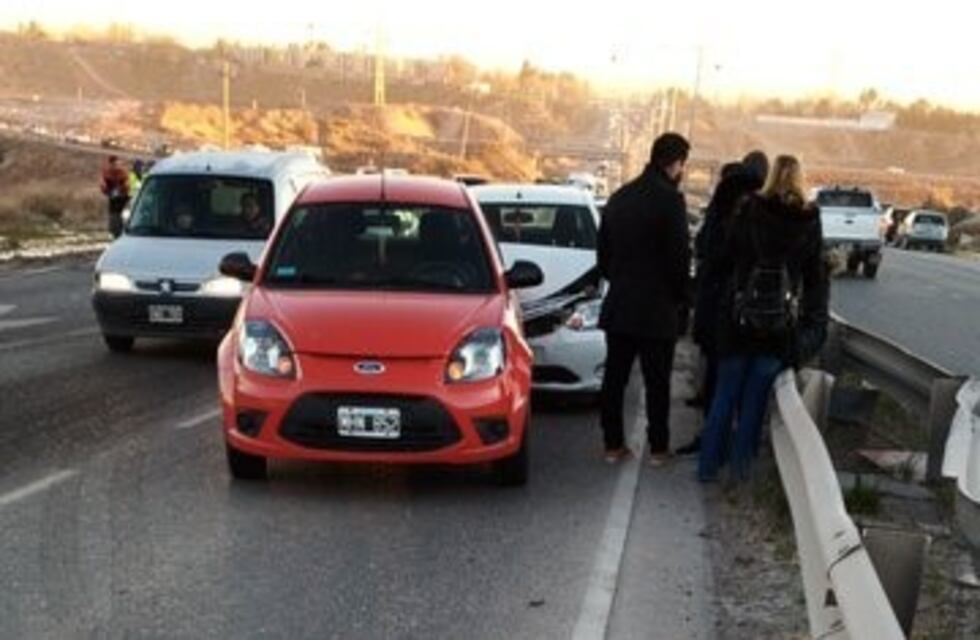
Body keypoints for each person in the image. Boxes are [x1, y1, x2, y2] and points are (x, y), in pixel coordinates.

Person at [698, 155, 829, 483]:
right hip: (778, 326)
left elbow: (726, 255)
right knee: (755, 401)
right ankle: (741, 474)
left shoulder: (749, 210)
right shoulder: (809, 219)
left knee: (725, 395)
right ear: (800, 179)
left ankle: (707, 468)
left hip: (738, 317)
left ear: (770, 176)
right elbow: (814, 276)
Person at [597, 132, 692, 465]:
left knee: (614, 380)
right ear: (676, 163)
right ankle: (658, 449)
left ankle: (612, 445)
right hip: (657, 310)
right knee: (657, 384)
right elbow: (680, 259)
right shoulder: (671, 201)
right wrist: (681, 300)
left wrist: (623, 280)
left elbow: (603, 257)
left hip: (621, 304)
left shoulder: (619, 197)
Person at [677, 151, 770, 456]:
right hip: (746, 313)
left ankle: (711, 446)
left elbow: (706, 250)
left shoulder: (723, 211)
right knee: (737, 386)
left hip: (718, 305)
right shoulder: (761, 214)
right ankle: (734, 450)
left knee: (720, 380)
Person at [100, 155, 130, 238]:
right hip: (113, 199)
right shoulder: (106, 173)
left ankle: (123, 232)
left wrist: (120, 190)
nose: (116, 166)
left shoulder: (123, 173)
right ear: (110, 164)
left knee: (123, 216)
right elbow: (103, 186)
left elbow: (127, 185)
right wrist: (108, 191)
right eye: (114, 164)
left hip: (123, 198)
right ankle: (115, 233)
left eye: (117, 164)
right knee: (114, 216)